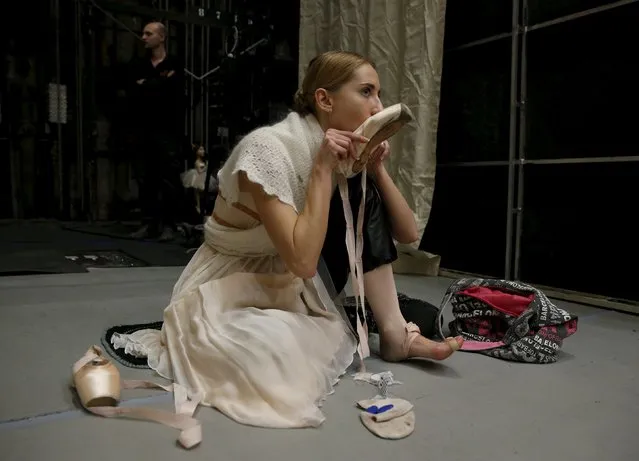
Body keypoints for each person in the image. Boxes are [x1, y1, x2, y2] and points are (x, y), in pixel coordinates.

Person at [112, 51, 463, 429]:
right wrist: (323, 169)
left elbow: (409, 235)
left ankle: (394, 332)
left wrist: (375, 169)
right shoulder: (268, 150)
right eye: (366, 92)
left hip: (290, 272)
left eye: (379, 94)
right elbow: (302, 263)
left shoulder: (344, 153)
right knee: (271, 355)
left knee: (362, 193)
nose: (377, 105)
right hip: (236, 275)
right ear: (325, 100)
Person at [129, 21, 185, 241]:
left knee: (169, 179)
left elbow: (176, 94)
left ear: (161, 37)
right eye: (143, 33)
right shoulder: (138, 64)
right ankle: (149, 224)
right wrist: (160, 83)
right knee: (146, 178)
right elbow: (134, 91)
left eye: (148, 34)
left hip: (168, 130)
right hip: (143, 128)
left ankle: (170, 225)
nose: (143, 37)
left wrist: (148, 85)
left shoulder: (175, 64)